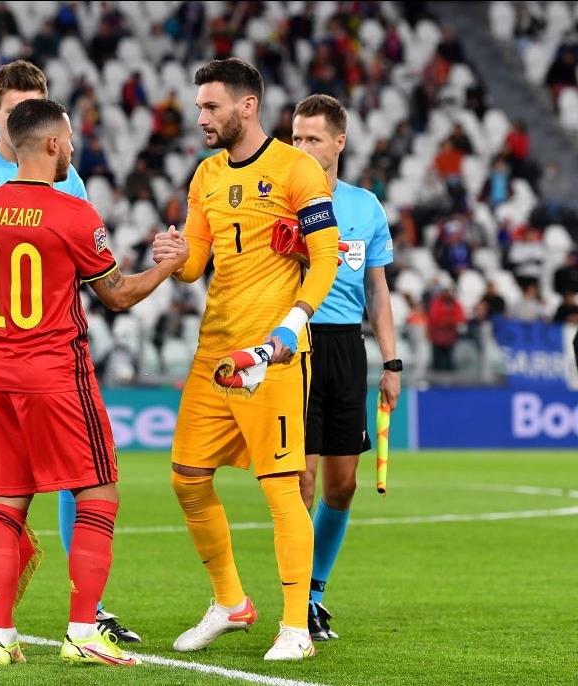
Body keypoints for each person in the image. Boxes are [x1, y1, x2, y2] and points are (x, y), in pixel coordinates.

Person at [0, 97, 188, 667]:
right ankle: (83, 631)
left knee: (6, 503)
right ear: (53, 144)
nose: (73, 149)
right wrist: (169, 266)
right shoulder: (74, 214)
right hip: (56, 371)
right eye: (71, 140)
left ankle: (1, 637)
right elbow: (119, 294)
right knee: (98, 494)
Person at [0, 58, 141, 647]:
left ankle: (7, 629)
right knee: (32, 480)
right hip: (36, 357)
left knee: (6, 496)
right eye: (14, 107)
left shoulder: (6, 199)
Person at [151, 57, 340, 661]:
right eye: (200, 105)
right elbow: (193, 267)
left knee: (283, 488)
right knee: (186, 478)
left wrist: (290, 326)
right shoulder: (205, 175)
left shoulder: (297, 169)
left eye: (211, 106)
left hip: (271, 357)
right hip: (215, 353)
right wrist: (174, 253)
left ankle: (294, 629)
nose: (201, 116)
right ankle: (230, 601)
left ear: (247, 105)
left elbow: (327, 259)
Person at [290, 93, 401, 641]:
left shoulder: (365, 207)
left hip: (345, 350)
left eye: (313, 138)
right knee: (302, 482)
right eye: (296, 137)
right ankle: (295, 606)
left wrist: (392, 361)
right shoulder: (281, 199)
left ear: (339, 142)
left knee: (342, 486)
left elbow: (377, 292)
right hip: (295, 343)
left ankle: (314, 594)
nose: (303, 147)